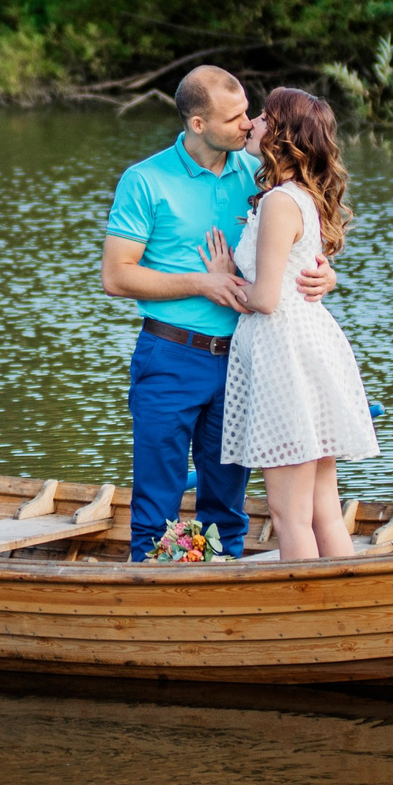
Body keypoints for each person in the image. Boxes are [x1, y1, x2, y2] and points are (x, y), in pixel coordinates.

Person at [103, 67, 335, 560]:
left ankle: (224, 591)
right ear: (198, 124)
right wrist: (202, 283)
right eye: (234, 118)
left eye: (250, 112)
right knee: (157, 500)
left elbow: (302, 237)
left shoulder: (259, 173)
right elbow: (116, 277)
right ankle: (153, 596)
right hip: (171, 355)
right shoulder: (145, 180)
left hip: (244, 361)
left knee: (226, 503)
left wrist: (325, 274)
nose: (249, 124)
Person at [213, 87, 379, 560]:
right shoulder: (301, 196)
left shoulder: (279, 203)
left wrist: (225, 279)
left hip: (284, 353)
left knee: (289, 516)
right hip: (307, 344)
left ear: (281, 135)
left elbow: (266, 298)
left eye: (262, 117)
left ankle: (307, 618)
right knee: (323, 510)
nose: (252, 124)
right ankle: (346, 608)